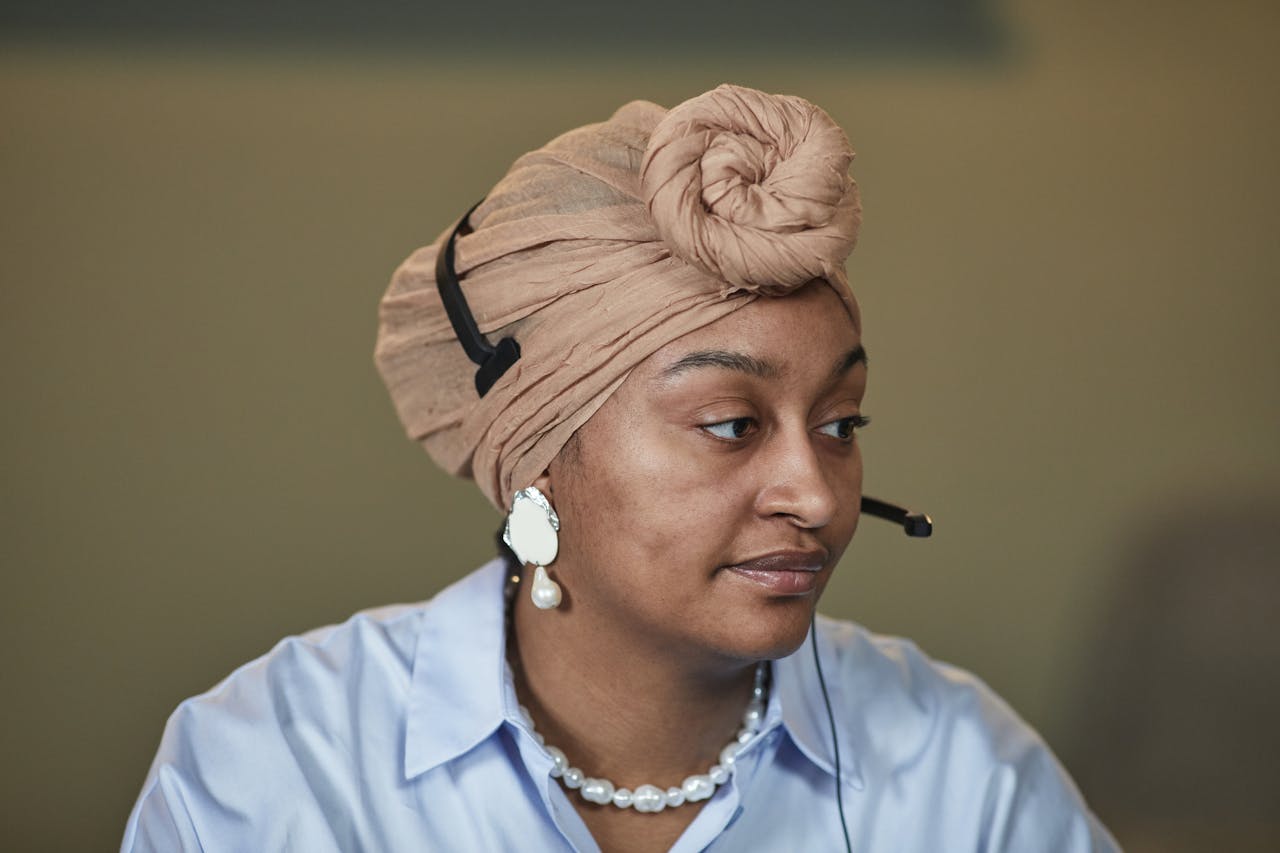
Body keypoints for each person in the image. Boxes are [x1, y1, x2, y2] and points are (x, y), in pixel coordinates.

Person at [122, 84, 1117, 852]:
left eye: (839, 423)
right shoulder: (281, 760)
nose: (814, 495)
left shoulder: (961, 771)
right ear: (540, 456)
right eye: (730, 424)